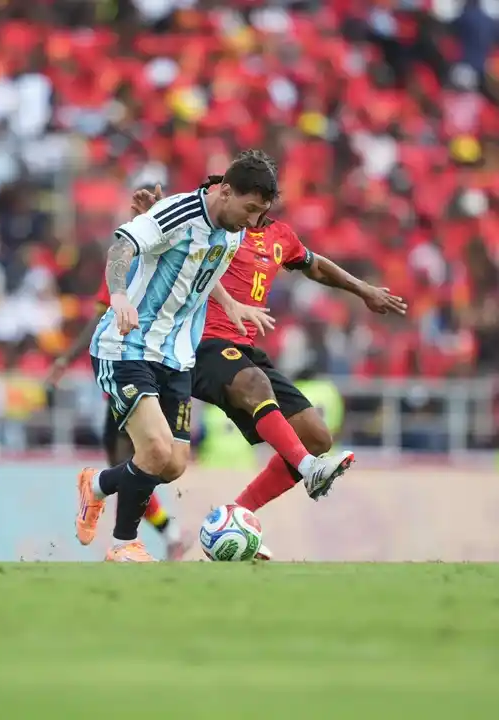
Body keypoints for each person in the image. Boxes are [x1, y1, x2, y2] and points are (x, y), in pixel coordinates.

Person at [132, 172, 406, 558]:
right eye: (251, 203)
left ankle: (235, 517)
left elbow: (316, 265)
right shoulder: (217, 222)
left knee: (316, 436)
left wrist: (363, 290)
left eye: (263, 206)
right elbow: (177, 239)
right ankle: (309, 470)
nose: (255, 212)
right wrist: (156, 218)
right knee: (251, 387)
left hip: (242, 347)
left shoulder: (280, 237)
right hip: (196, 341)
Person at [76, 150, 289, 563]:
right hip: (128, 345)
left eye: (260, 213)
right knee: (153, 450)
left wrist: (229, 304)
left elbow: (203, 269)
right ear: (225, 191)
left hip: (176, 357)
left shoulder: (232, 230)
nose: (253, 221)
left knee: (173, 465)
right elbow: (122, 245)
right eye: (249, 209)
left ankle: (97, 485)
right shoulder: (179, 212)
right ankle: (124, 545)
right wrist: (118, 295)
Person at [47, 190, 192, 561]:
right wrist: (66, 358)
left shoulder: (185, 251)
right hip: (129, 368)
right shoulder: (127, 264)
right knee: (145, 456)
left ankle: (102, 492)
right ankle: (135, 540)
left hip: (164, 364)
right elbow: (103, 319)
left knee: (156, 463)